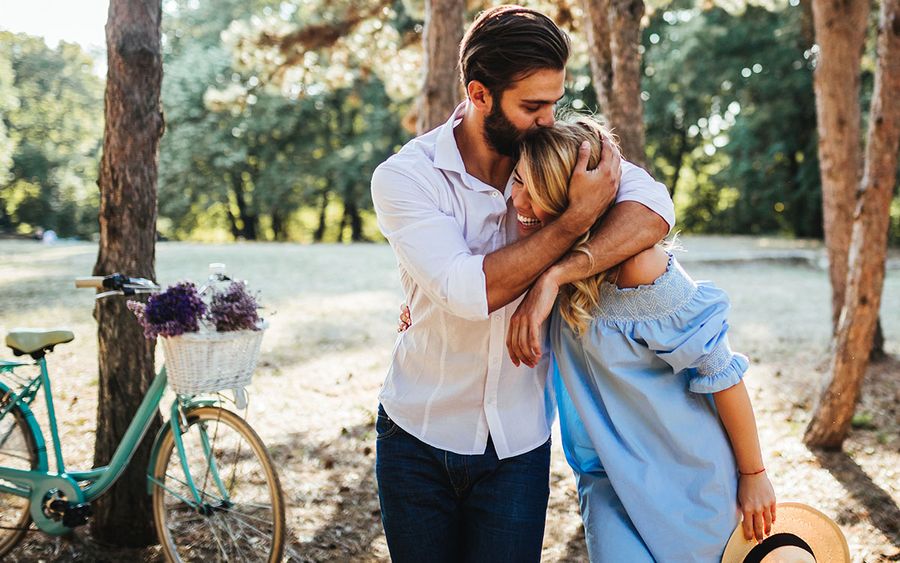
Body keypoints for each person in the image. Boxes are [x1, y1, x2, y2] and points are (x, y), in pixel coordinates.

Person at [370, 5, 675, 562]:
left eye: (554, 102)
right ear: (479, 94)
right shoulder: (405, 177)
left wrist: (555, 274)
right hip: (417, 439)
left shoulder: (559, 151)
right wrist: (574, 222)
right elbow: (470, 292)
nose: (547, 120)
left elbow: (654, 209)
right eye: (532, 106)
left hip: (518, 445)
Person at [506, 114, 776, 562]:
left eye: (535, 192)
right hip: (607, 483)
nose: (518, 200)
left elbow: (721, 372)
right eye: (517, 181)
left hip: (688, 481)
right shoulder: (542, 259)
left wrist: (754, 474)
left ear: (574, 204)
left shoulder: (639, 267)